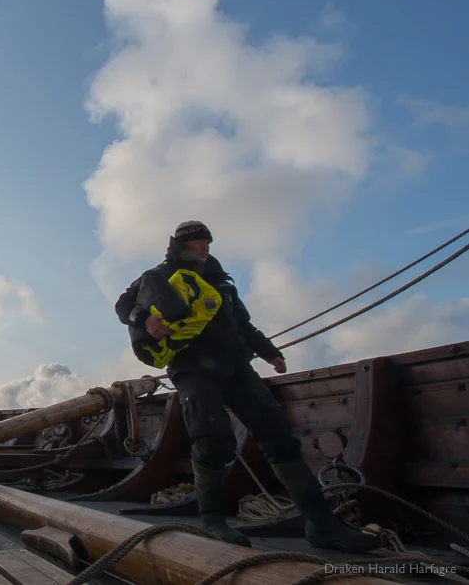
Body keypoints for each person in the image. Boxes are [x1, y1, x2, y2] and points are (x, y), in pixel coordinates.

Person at [115, 221, 378, 552]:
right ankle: (213, 521)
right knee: (212, 440)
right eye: (196, 242)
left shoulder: (222, 283)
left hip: (237, 366)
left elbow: (243, 324)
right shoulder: (158, 275)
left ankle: (321, 524)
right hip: (192, 367)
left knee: (278, 436)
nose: (204, 246)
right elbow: (123, 304)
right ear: (180, 246)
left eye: (206, 241)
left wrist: (270, 353)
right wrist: (144, 319)